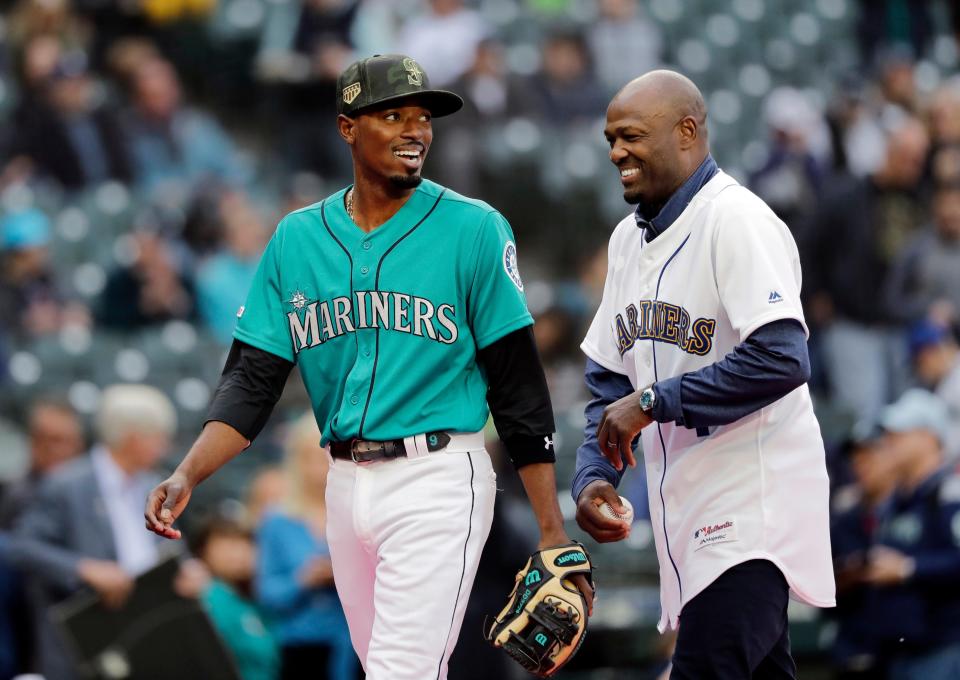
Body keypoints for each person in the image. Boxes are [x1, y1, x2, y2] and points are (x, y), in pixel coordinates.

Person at [145, 53, 591, 680]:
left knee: (399, 671)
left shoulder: (473, 229)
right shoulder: (297, 239)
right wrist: (188, 472)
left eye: (423, 117)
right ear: (347, 127)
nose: (416, 130)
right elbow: (251, 380)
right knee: (381, 665)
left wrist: (550, 529)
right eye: (393, 115)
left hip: (438, 473)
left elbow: (517, 383)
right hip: (344, 482)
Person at [572, 70, 835, 679]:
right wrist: (593, 474)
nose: (616, 152)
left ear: (686, 130)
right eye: (611, 138)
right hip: (688, 512)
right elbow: (609, 380)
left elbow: (783, 357)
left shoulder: (736, 219)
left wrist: (655, 400)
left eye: (631, 135)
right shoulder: (626, 241)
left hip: (750, 508)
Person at [7, 384, 181, 680]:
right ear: (132, 437)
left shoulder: (155, 485)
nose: (165, 447)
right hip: (83, 634)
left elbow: (172, 544)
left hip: (143, 631)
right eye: (158, 437)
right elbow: (20, 546)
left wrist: (184, 569)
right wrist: (83, 569)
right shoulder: (66, 484)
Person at [865, 389, 960, 679]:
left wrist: (908, 569)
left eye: (901, 433)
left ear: (929, 438)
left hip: (944, 647)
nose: (890, 441)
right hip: (897, 649)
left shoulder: (950, 493)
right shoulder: (894, 501)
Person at [256, 414, 357, 680]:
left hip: (356, 645)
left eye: (326, 455)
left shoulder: (357, 512)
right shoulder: (277, 519)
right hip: (300, 649)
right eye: (308, 457)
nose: (317, 467)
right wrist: (304, 579)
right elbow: (267, 593)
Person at [192, 515, 280, 680]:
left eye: (246, 544)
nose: (239, 553)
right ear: (203, 551)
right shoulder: (208, 599)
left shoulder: (254, 599)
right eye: (227, 545)